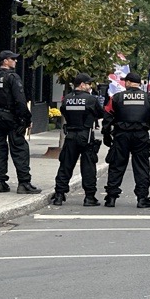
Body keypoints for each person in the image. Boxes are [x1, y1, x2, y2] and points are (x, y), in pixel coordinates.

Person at [102, 70, 150, 208]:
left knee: (117, 166)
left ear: (128, 82)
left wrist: (106, 134)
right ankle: (142, 198)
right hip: (141, 136)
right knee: (141, 167)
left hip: (121, 135)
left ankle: (111, 197)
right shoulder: (149, 98)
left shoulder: (117, 98)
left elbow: (107, 117)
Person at [0, 50, 38, 193]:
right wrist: (26, 119)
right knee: (19, 149)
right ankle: (24, 183)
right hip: (11, 118)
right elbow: (20, 100)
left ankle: (0, 182)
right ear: (5, 61)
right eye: (12, 59)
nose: (15, 61)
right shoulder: (13, 78)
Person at [52, 73, 104, 206]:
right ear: (82, 85)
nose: (90, 86)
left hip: (70, 135)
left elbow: (64, 111)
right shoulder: (91, 99)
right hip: (85, 135)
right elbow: (100, 114)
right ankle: (89, 197)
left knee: (65, 165)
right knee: (88, 167)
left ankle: (59, 195)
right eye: (88, 84)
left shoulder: (67, 98)